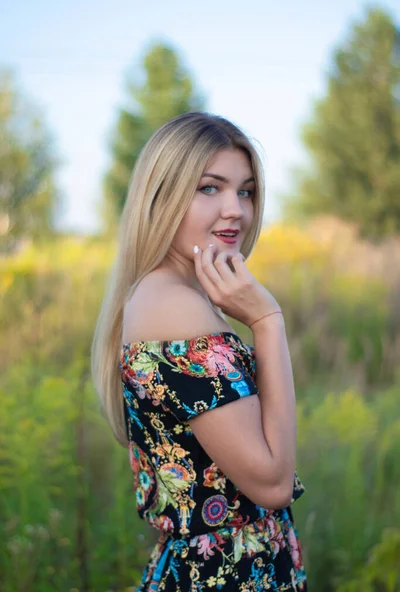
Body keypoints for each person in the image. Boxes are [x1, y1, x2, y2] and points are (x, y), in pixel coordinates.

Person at [91, 112, 307, 591]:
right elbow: (272, 484)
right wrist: (267, 321)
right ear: (162, 196)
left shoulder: (183, 297)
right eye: (210, 188)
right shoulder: (173, 305)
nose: (235, 209)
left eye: (245, 190)